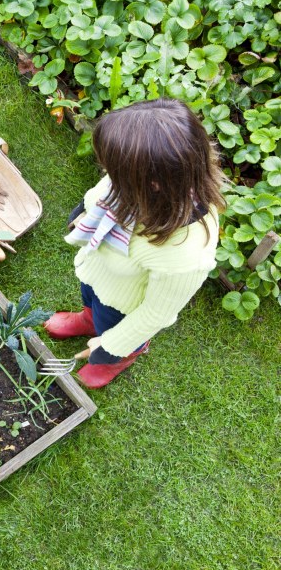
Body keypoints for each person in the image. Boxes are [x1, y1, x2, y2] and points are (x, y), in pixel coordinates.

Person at [44, 98, 226, 388]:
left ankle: (120, 358)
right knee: (91, 297)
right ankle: (89, 320)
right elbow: (100, 194)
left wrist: (108, 346)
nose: (106, 173)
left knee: (111, 324)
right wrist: (82, 215)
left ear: (151, 183)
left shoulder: (186, 253)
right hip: (100, 271)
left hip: (125, 305)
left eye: (114, 171)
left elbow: (155, 314)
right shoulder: (137, 186)